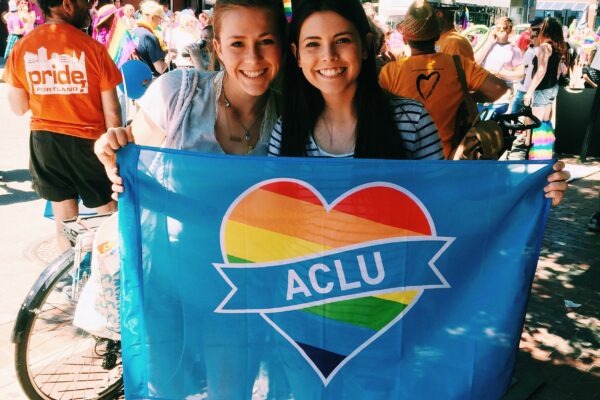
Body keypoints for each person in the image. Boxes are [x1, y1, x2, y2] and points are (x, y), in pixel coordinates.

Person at [2, 0, 122, 250]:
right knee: (108, 214)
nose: (89, 7)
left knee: (64, 219)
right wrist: (115, 153)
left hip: (45, 142)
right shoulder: (93, 49)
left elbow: (18, 107)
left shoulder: (23, 46)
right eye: (85, 2)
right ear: (67, 4)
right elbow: (112, 112)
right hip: (90, 143)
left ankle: (70, 273)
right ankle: (111, 275)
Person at [269, 0, 444, 161]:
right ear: (297, 55)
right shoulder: (285, 131)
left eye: (342, 40)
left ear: (365, 46)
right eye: (313, 44)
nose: (328, 56)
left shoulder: (413, 122)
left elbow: (437, 194)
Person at [379, 0, 507, 158]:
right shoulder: (458, 64)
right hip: (448, 159)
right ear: (438, 35)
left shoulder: (390, 71)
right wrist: (468, 97)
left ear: (405, 39)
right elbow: (499, 88)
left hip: (404, 160)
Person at [523, 17, 567, 160]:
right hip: (552, 88)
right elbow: (560, 71)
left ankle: (538, 159)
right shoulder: (556, 47)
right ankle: (545, 156)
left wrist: (529, 92)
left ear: (545, 30)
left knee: (538, 125)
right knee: (546, 124)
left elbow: (541, 71)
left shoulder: (544, 47)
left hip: (543, 89)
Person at [476, 17, 524, 83]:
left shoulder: (514, 49)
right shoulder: (488, 45)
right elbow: (476, 62)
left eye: (505, 28)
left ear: (510, 30)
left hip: (503, 86)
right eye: (498, 28)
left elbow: (520, 74)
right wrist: (489, 42)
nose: (501, 30)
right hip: (484, 85)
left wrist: (498, 72)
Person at [134, 0, 171, 76]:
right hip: (151, 81)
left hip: (139, 77)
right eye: (160, 18)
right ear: (153, 17)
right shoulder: (150, 37)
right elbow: (160, 68)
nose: (160, 21)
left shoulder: (135, 31)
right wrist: (170, 56)